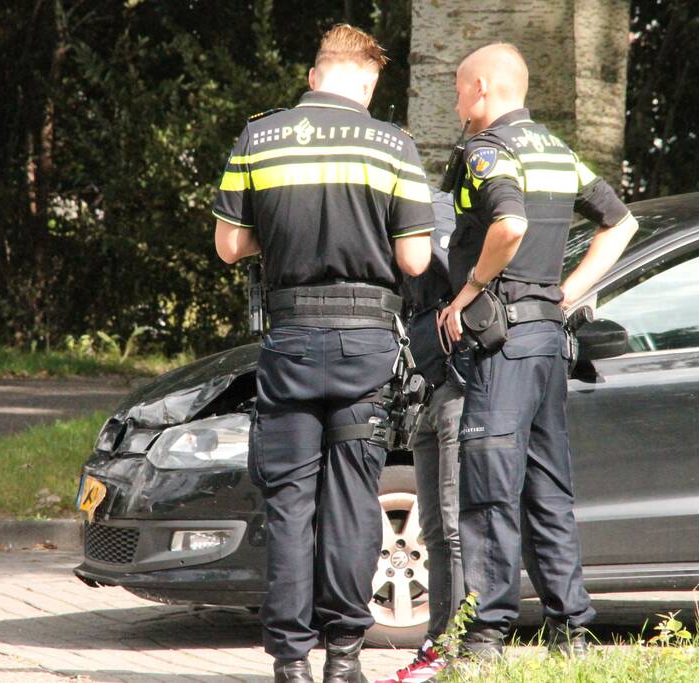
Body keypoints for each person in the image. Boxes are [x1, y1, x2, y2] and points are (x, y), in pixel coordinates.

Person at [213, 24, 434, 683]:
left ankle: (289, 662)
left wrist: (277, 242)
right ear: (366, 85)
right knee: (350, 498)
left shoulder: (260, 136)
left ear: (314, 76)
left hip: (289, 343)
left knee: (288, 500)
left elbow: (229, 246)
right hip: (366, 343)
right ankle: (343, 658)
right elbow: (414, 258)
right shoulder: (393, 143)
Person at [436, 43, 638, 658]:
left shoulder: (486, 150)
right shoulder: (556, 151)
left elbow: (510, 223)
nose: (456, 101)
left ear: (481, 88)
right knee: (548, 487)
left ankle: (486, 635)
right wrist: (566, 295)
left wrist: (469, 291)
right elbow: (621, 223)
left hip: (503, 342)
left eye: (457, 89)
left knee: (491, 484)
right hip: (548, 338)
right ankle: (570, 630)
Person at [377, 190, 465, 683]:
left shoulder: (434, 212)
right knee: (434, 528)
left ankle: (457, 647)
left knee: (452, 526)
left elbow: (470, 277)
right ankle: (438, 645)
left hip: (458, 385)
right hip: (428, 387)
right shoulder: (390, 219)